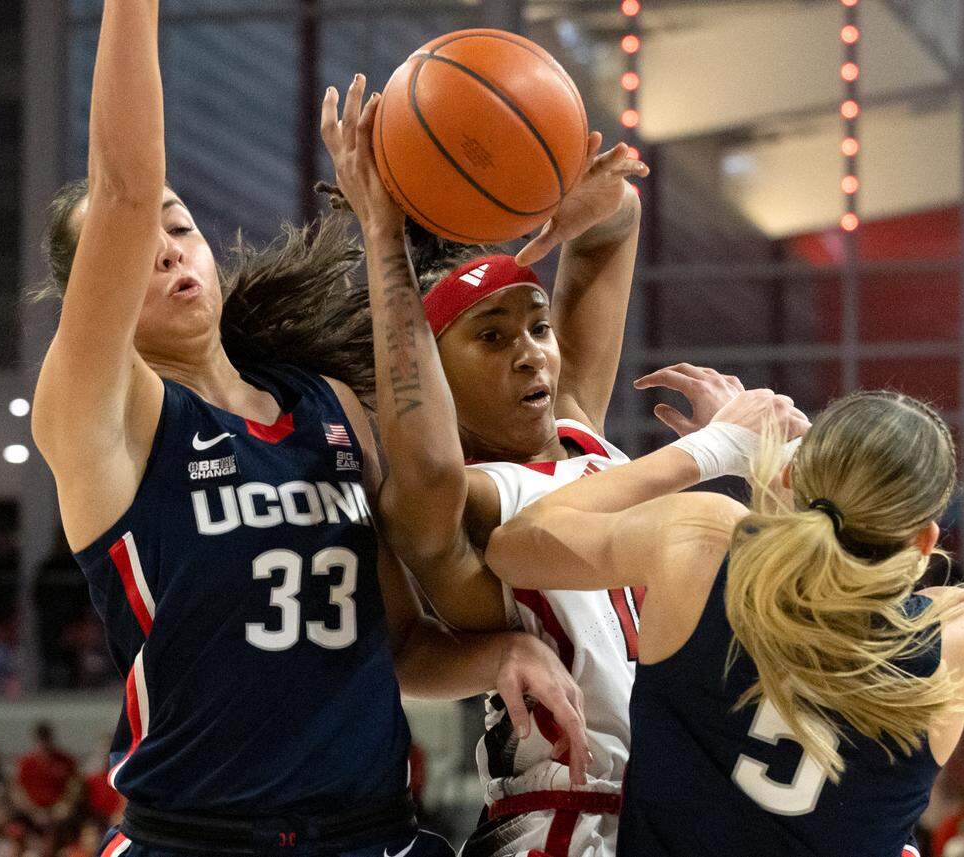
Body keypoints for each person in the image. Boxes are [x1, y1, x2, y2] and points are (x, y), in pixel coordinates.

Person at [31, 3, 586, 856]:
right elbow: (126, 189)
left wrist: (500, 655)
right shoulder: (106, 417)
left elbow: (398, 644)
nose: (169, 249)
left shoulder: (327, 403)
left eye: (180, 229)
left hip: (371, 833)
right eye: (139, 246)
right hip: (197, 838)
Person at [319, 76, 809, 857]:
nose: (530, 352)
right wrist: (384, 235)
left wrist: (573, 201)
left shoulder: (581, 433)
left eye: (539, 326)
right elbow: (428, 459)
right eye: (491, 336)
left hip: (681, 810)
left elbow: (618, 220)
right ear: (436, 380)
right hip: (569, 824)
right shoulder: (468, 498)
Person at [484, 390, 964, 857]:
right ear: (925, 542)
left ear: (787, 480)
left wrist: (715, 449)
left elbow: (513, 544)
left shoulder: (703, 545)